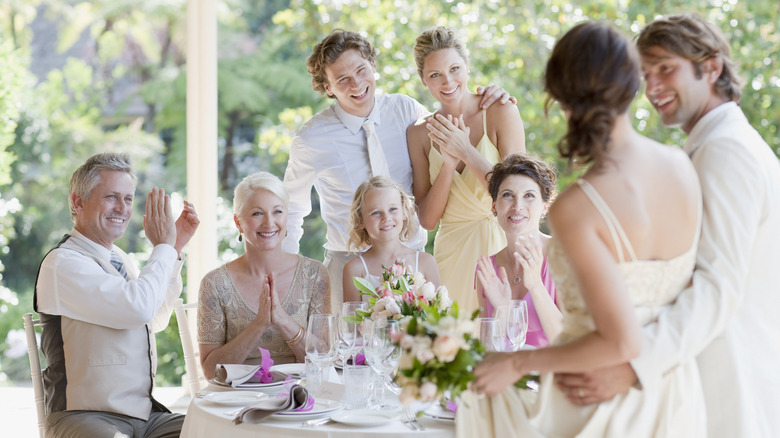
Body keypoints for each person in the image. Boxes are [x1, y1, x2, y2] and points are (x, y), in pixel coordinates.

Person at [457, 21, 705, 437]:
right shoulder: (682, 165)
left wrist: (514, 364)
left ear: (562, 97)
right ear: (633, 83)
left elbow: (621, 342)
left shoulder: (579, 207)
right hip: (674, 391)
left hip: (598, 404)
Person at [554, 15, 780, 438]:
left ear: (711, 67)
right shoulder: (710, 147)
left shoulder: (727, 152)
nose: (652, 87)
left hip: (726, 381)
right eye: (644, 74)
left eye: (665, 68)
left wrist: (633, 367)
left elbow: (717, 285)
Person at [282, 29, 514, 313]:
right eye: (342, 79)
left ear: (373, 66)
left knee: (422, 352)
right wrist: (283, 275)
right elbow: (291, 210)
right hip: (349, 267)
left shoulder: (406, 111)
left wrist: (495, 92)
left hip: (413, 267)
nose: (356, 84)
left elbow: (452, 102)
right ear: (327, 87)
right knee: (349, 353)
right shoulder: (312, 138)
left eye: (361, 70)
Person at [34, 153, 200, 437]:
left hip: (144, 416)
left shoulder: (121, 259)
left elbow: (154, 319)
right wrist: (163, 247)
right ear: (77, 202)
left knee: (217, 428)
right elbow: (138, 308)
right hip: (83, 417)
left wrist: (174, 248)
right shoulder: (62, 263)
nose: (122, 208)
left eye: (127, 198)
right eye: (111, 197)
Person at [407, 26, 526, 314]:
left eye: (455, 69)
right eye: (435, 75)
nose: (447, 81)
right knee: (454, 346)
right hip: (451, 254)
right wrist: (447, 165)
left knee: (501, 340)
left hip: (501, 244)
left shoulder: (500, 111)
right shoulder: (418, 134)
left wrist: (465, 151)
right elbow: (428, 220)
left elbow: (518, 193)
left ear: (468, 66)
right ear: (424, 80)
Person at [198, 172, 330, 377]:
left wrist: (283, 320)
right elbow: (209, 371)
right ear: (238, 222)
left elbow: (325, 358)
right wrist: (259, 323)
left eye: (277, 211)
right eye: (257, 213)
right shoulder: (214, 283)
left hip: (300, 397)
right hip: (236, 401)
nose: (269, 223)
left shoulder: (314, 275)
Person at [475, 154, 561, 348]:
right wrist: (503, 311)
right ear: (494, 206)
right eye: (507, 195)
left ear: (544, 207)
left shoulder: (563, 257)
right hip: (508, 374)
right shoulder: (487, 270)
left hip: (554, 374)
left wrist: (536, 286)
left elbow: (571, 342)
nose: (517, 206)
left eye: (529, 196)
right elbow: (486, 348)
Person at [342, 176, 440, 302]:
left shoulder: (426, 262)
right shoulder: (354, 269)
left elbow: (439, 317)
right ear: (360, 220)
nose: (386, 218)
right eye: (376, 212)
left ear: (404, 212)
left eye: (393, 209)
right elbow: (352, 320)